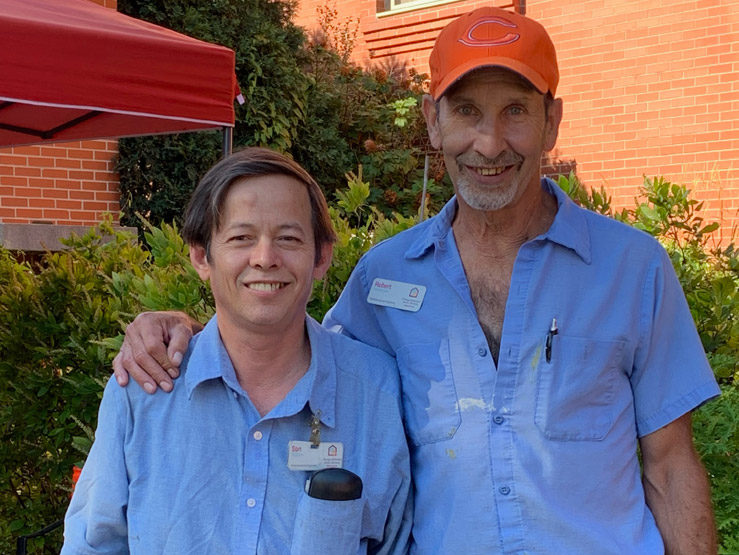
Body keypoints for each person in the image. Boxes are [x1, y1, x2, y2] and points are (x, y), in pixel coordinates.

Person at [113, 8, 720, 554]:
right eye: (466, 112)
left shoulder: (633, 269)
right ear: (433, 122)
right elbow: (291, 358)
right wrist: (182, 333)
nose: (489, 142)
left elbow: (671, 468)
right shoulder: (385, 277)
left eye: (515, 110)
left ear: (551, 121)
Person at [63, 147, 412, 554]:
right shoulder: (141, 391)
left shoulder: (376, 394)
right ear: (200, 255)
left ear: (321, 257)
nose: (264, 258)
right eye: (241, 238)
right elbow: (93, 546)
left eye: (288, 238)